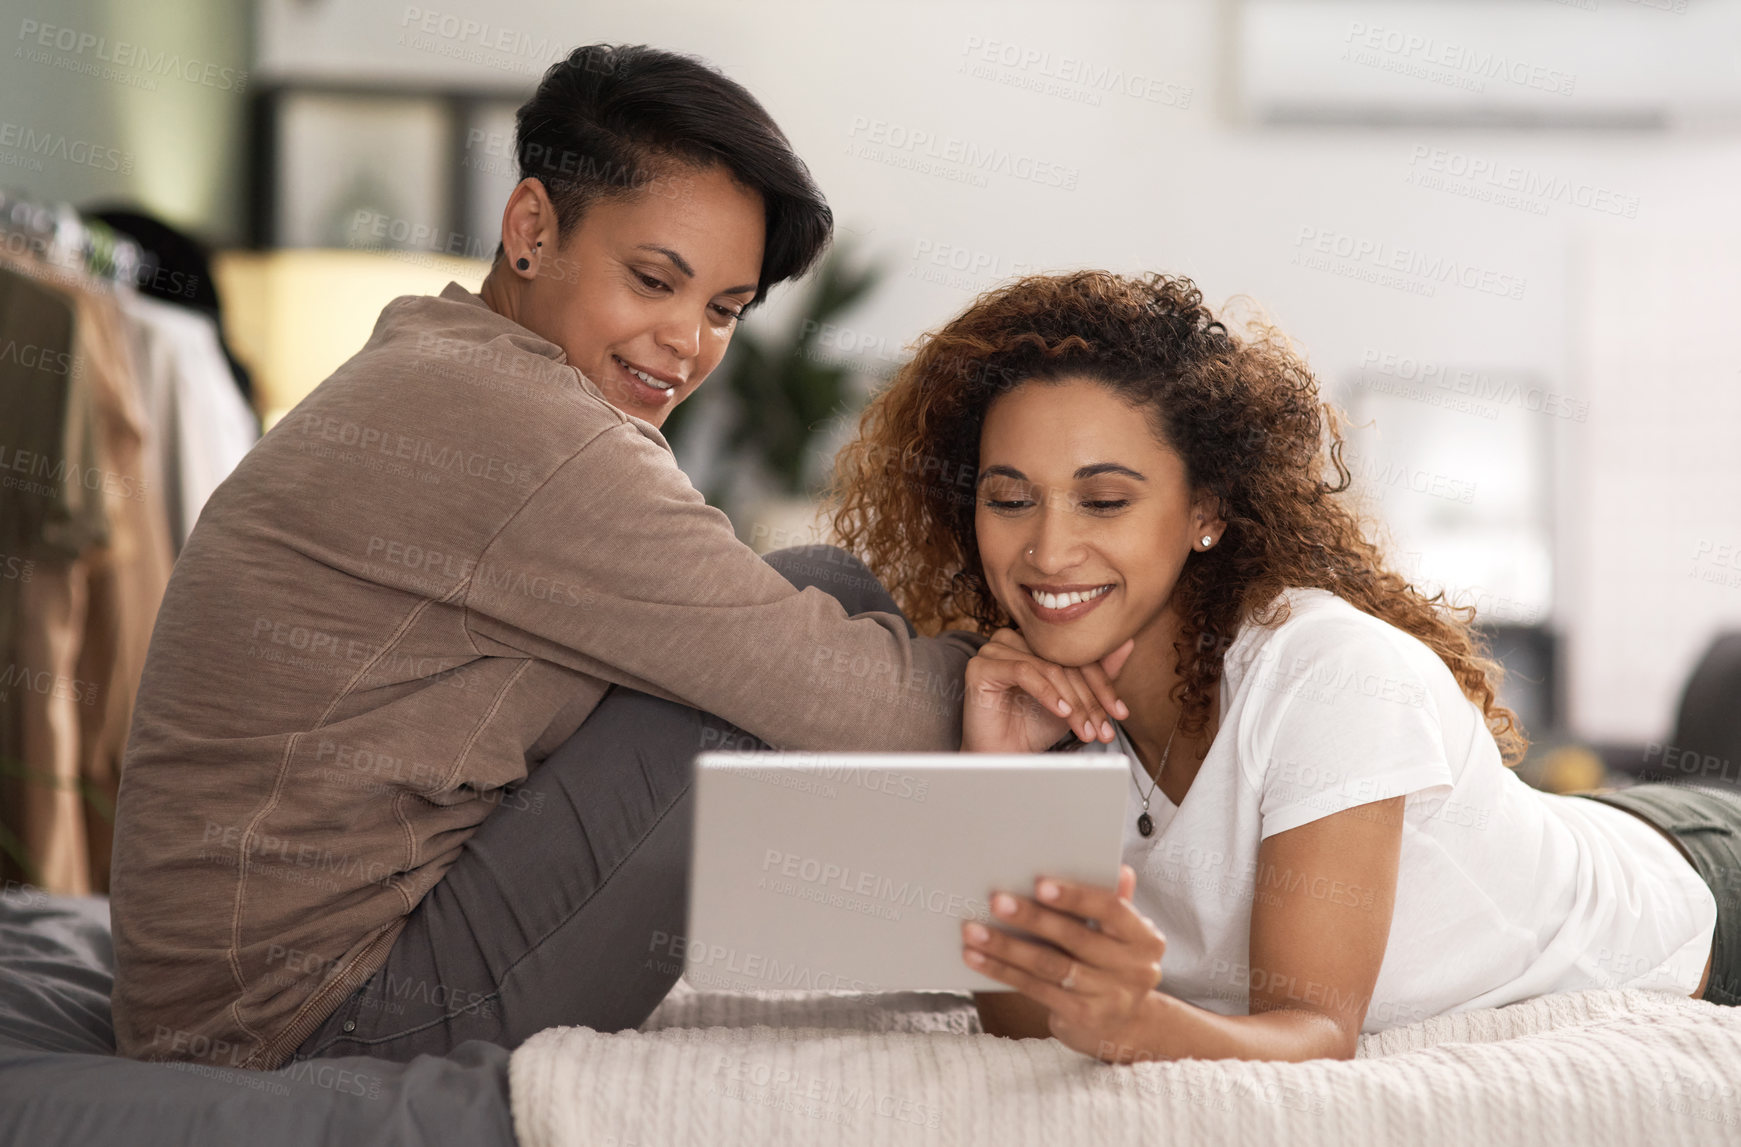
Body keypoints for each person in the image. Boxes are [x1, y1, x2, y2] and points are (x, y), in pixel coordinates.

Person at [106, 44, 1125, 1071]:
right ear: (532, 229)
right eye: (653, 280)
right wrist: (1046, 667)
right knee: (767, 692)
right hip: (299, 1022)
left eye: (724, 309)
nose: (685, 341)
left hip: (239, 985)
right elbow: (871, 709)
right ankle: (1044, 935)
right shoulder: (531, 432)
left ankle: (970, 942)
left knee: (817, 588)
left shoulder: (442, 362)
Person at [829, 269, 1737, 1063]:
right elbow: (1021, 1019)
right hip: (1585, 824)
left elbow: (1308, 1031)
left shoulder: (1328, 674)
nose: (1048, 547)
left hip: (1694, 898)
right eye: (1009, 498)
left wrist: (1139, 1023)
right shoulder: (1036, 701)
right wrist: (997, 777)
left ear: (1205, 510)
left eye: (1104, 499)